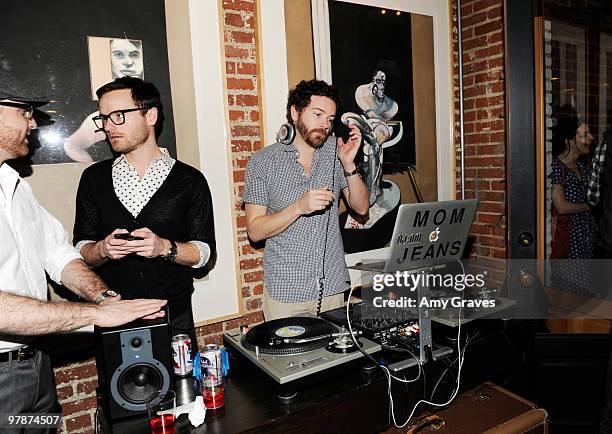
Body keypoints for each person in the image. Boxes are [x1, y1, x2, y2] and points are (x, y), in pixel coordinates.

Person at [0, 82, 167, 424]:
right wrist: (94, 315)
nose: (32, 124)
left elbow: (59, 256)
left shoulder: (17, 187)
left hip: (35, 368)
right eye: (23, 113)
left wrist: (104, 297)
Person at [73, 77, 215, 348]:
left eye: (118, 116)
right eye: (103, 118)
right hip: (114, 316)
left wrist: (165, 247)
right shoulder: (94, 178)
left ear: (150, 115)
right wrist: (101, 249)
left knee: (181, 388)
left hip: (173, 315)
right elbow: (80, 248)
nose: (108, 127)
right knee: (118, 390)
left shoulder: (190, 180)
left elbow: (204, 252)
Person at [244, 79, 369, 320]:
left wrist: (349, 164)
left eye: (330, 119)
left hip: (333, 289)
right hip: (287, 294)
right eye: (318, 114)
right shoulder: (263, 162)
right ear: (295, 112)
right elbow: (255, 231)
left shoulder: (336, 152)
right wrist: (299, 207)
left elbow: (361, 207)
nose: (325, 124)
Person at [549, 115, 597, 294]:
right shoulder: (557, 167)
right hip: (569, 244)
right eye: (585, 134)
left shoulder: (582, 167)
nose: (591, 138)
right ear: (570, 139)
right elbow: (561, 206)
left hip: (585, 242)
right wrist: (590, 206)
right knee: (571, 295)